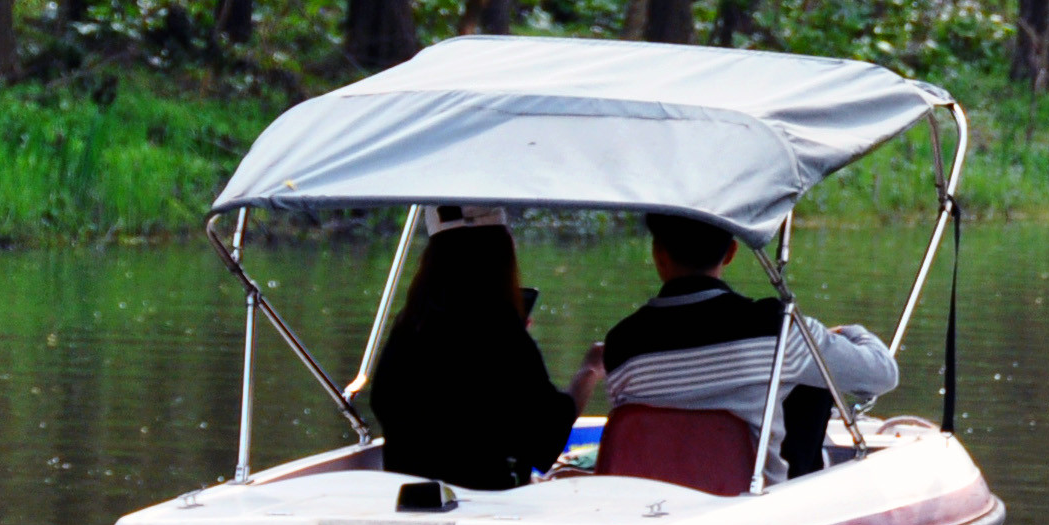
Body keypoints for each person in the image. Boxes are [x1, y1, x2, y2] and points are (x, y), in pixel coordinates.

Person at [587, 213, 900, 481]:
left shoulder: (622, 344)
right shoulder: (778, 329)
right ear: (731, 253)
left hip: (656, 503)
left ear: (658, 254)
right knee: (811, 381)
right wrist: (848, 332)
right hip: (748, 509)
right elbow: (883, 374)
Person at [366, 206, 595, 491]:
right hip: (485, 505)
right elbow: (546, 436)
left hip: (413, 503)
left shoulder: (406, 332)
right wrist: (588, 372)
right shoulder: (503, 335)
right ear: (499, 254)